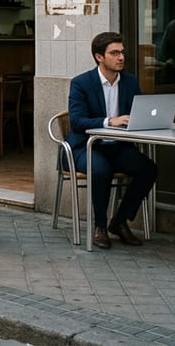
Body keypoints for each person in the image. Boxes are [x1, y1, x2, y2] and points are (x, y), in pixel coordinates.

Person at [68, 32, 159, 249]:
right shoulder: (81, 83)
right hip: (86, 147)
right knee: (101, 170)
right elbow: (77, 122)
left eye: (122, 53)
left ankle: (119, 222)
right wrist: (110, 121)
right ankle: (100, 226)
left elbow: (138, 112)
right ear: (99, 57)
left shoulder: (129, 82)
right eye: (114, 53)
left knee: (149, 169)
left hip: (117, 146)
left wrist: (145, 119)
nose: (121, 58)